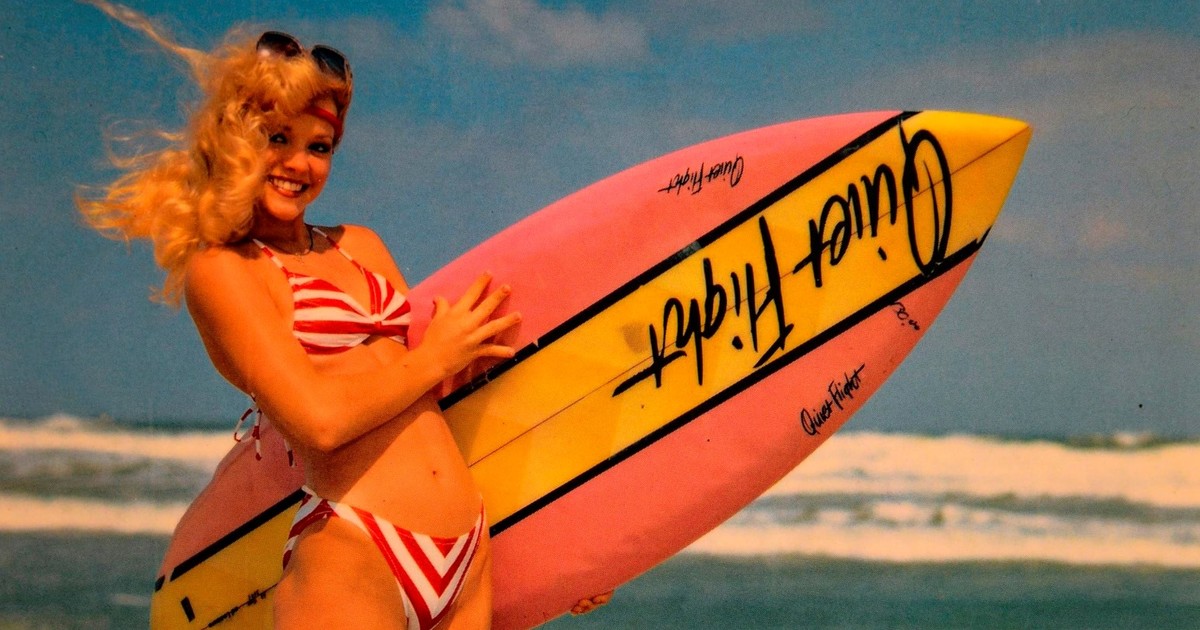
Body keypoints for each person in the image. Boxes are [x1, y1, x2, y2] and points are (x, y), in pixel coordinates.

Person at [77, 2, 521, 628]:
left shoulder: (361, 245)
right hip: (357, 551)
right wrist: (436, 358)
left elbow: (430, 408)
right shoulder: (225, 270)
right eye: (277, 138)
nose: (299, 164)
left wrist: (580, 545)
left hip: (469, 552)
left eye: (319, 146)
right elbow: (319, 422)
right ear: (238, 142)